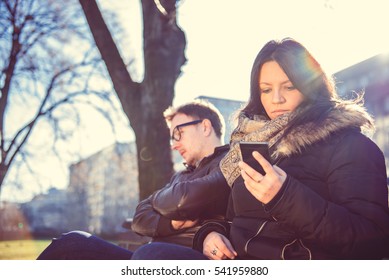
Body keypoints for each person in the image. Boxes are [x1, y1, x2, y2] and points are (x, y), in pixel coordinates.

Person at [131, 38, 389, 260]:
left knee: (150, 257)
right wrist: (211, 233)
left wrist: (284, 195)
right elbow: (234, 218)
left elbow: (372, 241)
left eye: (289, 86)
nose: (276, 99)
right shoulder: (250, 147)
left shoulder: (350, 145)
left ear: (310, 85)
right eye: (266, 90)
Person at [37, 100, 231, 259]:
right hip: (146, 259)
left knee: (149, 254)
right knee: (72, 243)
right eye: (172, 137)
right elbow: (140, 216)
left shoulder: (229, 163)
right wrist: (169, 223)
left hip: (171, 259)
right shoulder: (180, 176)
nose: (174, 144)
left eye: (178, 133)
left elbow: (183, 200)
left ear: (205, 127)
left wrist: (160, 201)